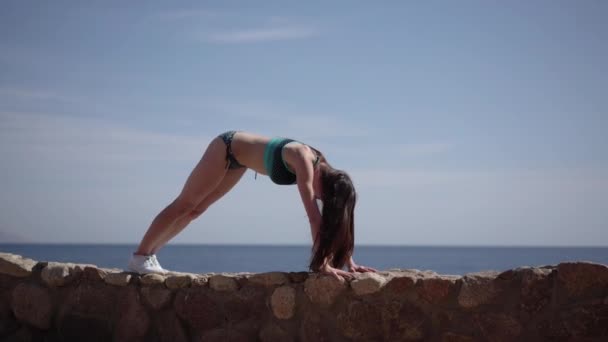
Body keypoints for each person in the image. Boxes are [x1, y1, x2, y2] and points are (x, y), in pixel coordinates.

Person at [128, 130, 377, 280]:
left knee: (195, 210)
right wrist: (322, 264)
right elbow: (314, 218)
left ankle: (150, 257)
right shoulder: (305, 160)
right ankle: (141, 255)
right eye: (325, 198)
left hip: (240, 163)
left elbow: (337, 221)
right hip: (226, 147)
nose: (320, 200)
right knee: (185, 203)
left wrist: (348, 261)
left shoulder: (325, 170)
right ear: (328, 183)